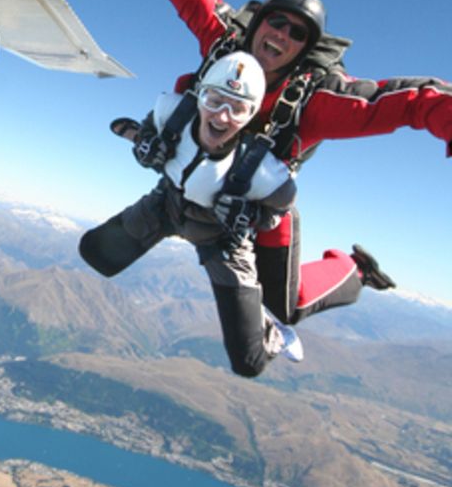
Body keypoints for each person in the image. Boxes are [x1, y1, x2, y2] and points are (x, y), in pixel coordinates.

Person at [141, 0, 452, 325]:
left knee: (284, 309)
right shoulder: (224, 45)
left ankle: (353, 269)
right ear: (258, 24)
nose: (282, 35)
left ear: (305, 51)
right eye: (277, 21)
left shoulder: (316, 101)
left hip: (265, 205)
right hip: (206, 182)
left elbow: (410, 102)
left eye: (298, 34)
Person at [80, 52, 389, 378]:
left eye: (238, 109)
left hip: (221, 238)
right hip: (165, 205)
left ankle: (273, 328)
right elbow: (147, 126)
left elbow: (280, 210)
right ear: (199, 97)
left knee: (249, 362)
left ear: (250, 116)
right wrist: (142, 140)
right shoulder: (173, 113)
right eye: (214, 100)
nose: (222, 117)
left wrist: (250, 215)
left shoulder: (262, 171)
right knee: (95, 252)